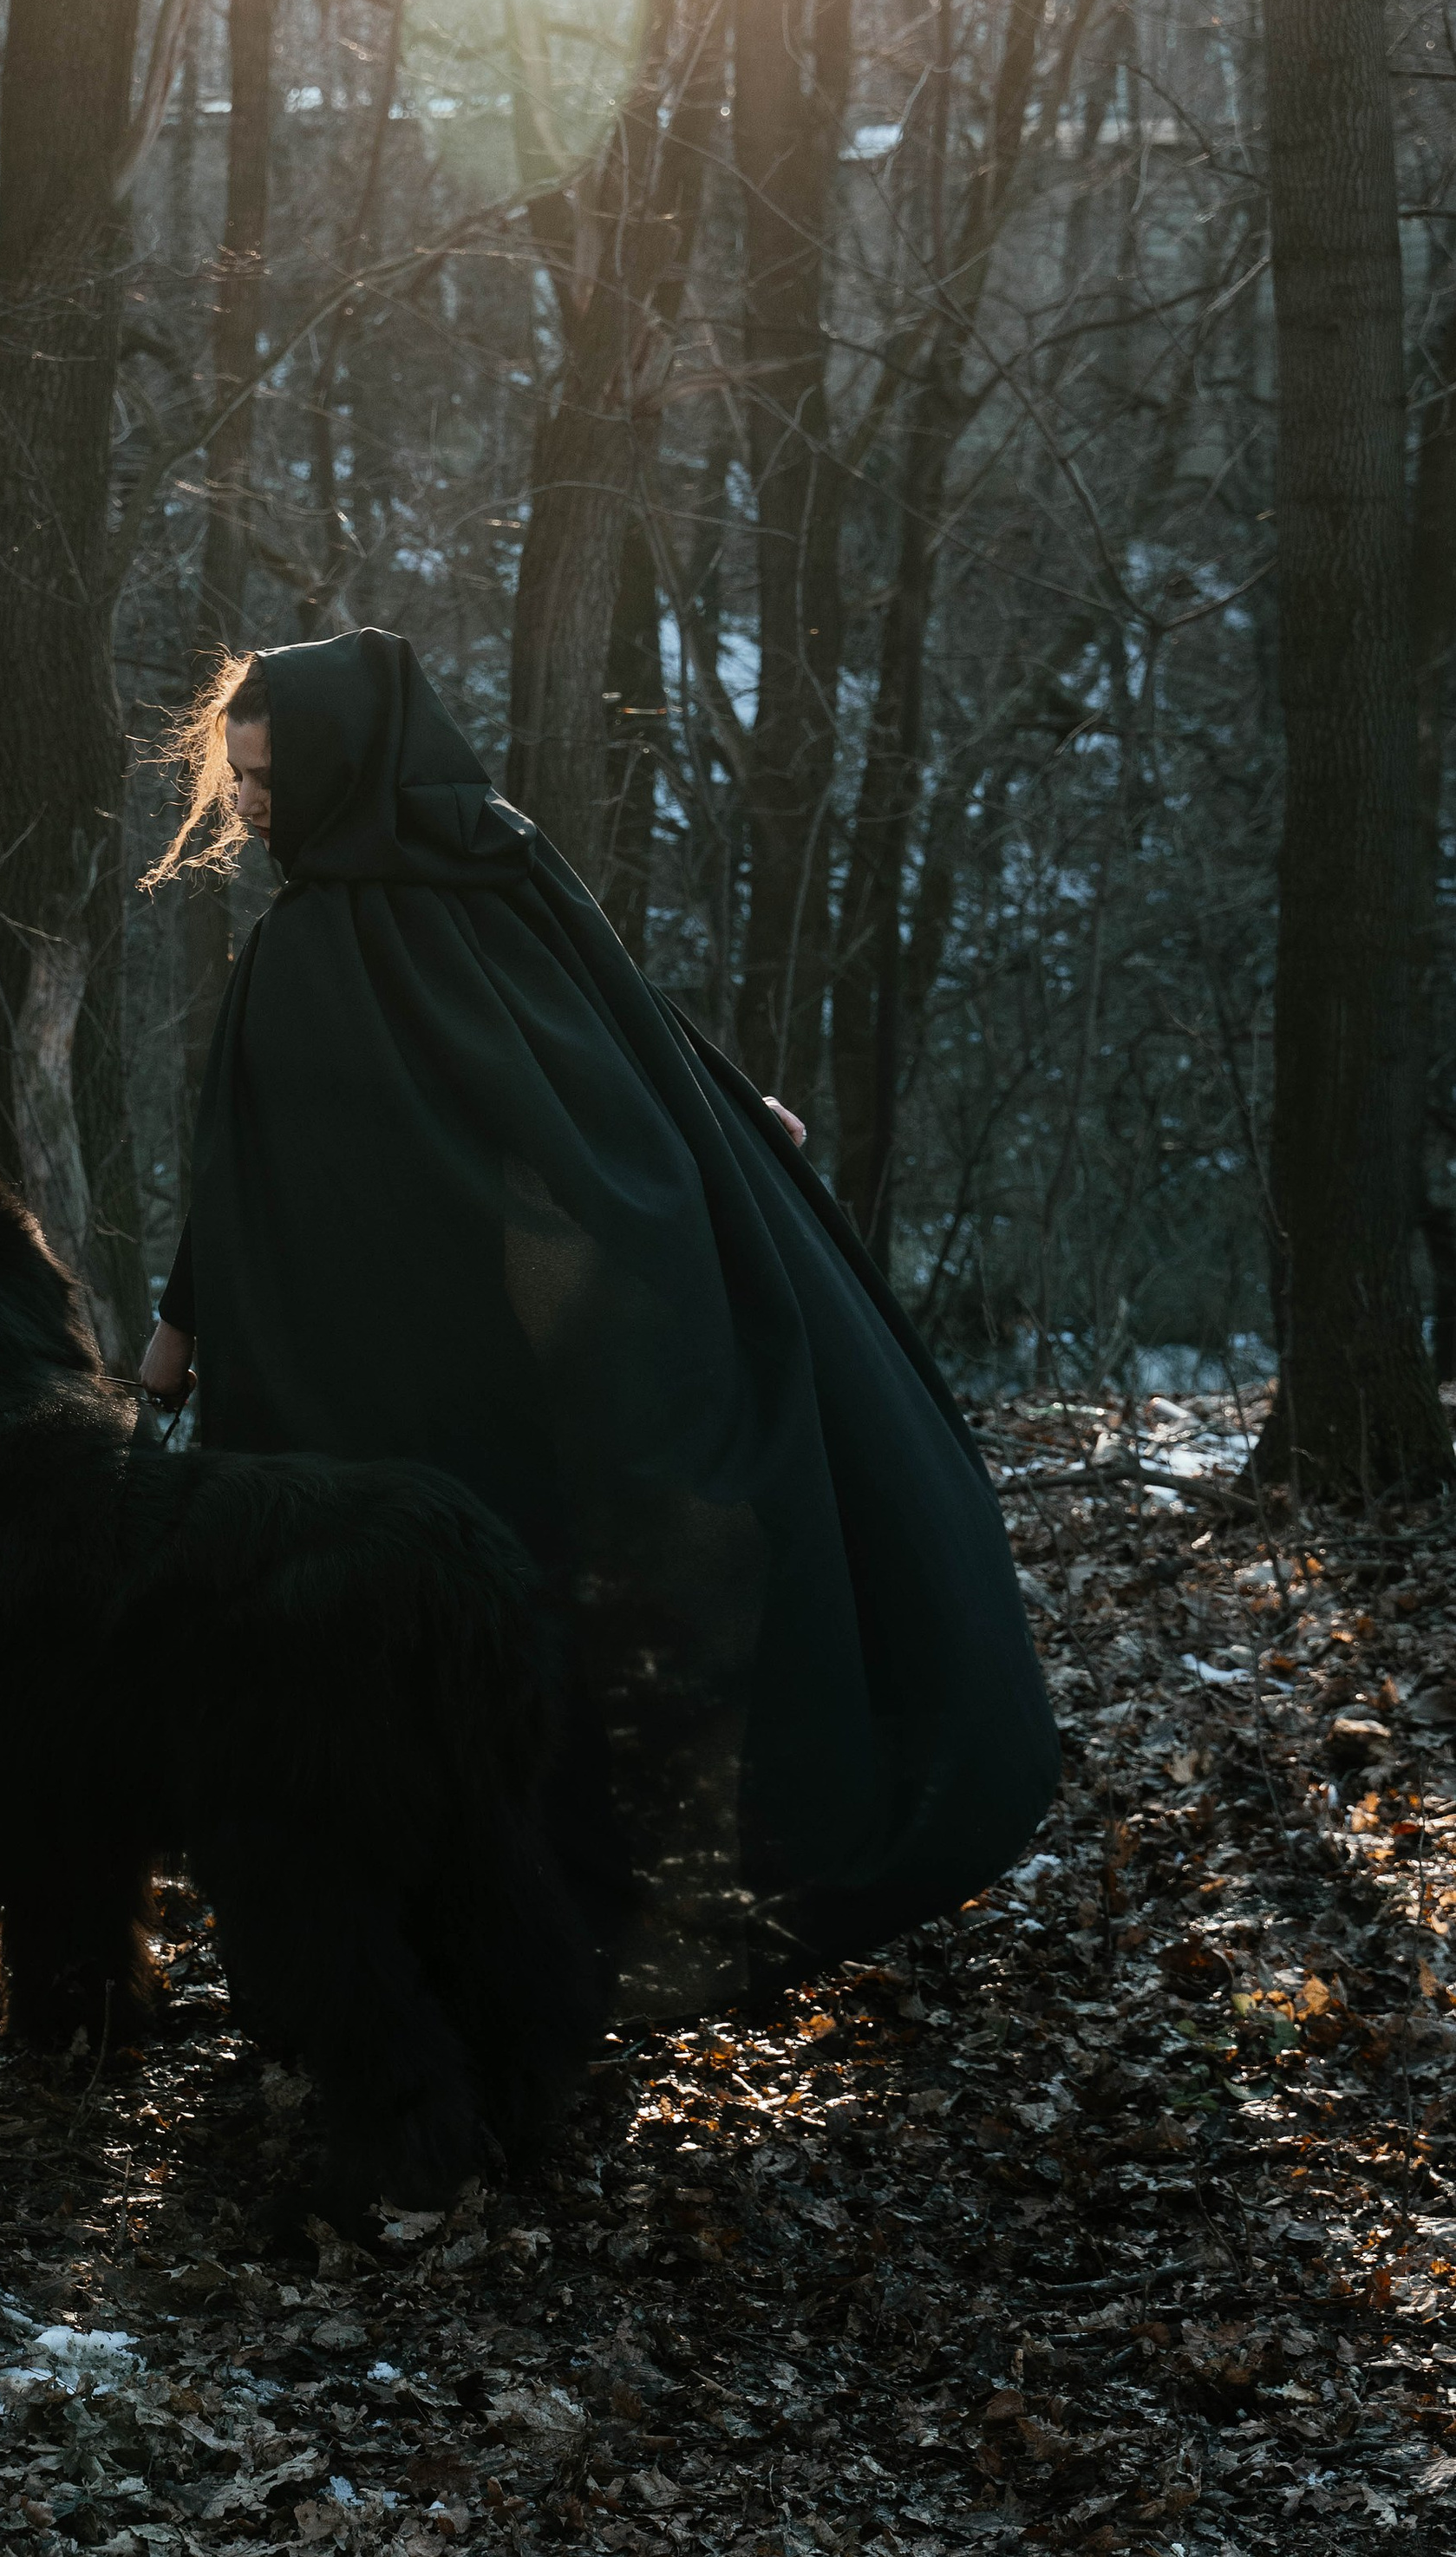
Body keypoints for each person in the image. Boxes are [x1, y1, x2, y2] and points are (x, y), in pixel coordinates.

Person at [140, 628, 1057, 2017]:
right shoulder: (339, 928)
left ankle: (577, 1918)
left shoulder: (458, 876)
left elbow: (613, 1014)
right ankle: (469, 1920)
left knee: (569, 1599)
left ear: (343, 764)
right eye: (244, 779)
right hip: (401, 1355)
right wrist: (183, 1322)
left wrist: (727, 1113)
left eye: (272, 778)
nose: (253, 807)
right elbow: (248, 1162)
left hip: (521, 1337)